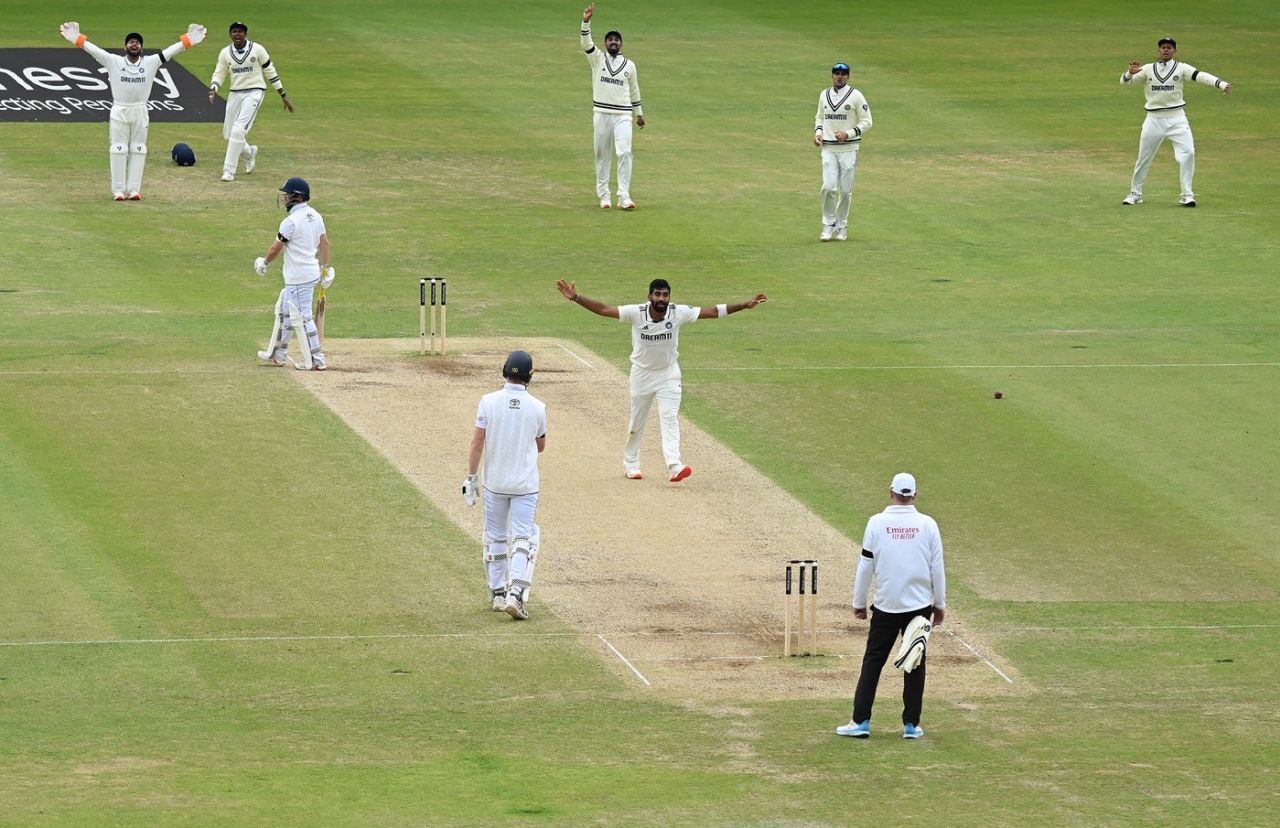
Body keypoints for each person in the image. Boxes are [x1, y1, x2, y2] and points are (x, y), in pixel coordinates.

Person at [555, 278, 767, 482]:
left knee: (669, 417)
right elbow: (604, 309)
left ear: (669, 297)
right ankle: (631, 463)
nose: (661, 299)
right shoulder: (636, 313)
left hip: (668, 374)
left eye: (665, 295)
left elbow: (711, 311)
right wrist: (576, 297)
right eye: (657, 294)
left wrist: (743, 305)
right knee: (637, 422)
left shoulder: (678, 312)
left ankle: (675, 466)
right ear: (649, 296)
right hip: (641, 374)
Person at [836, 473, 947, 740]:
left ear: (890, 492)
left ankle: (860, 721)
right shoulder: (927, 524)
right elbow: (937, 567)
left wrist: (858, 602)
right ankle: (911, 725)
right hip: (920, 606)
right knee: (915, 663)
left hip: (886, 605)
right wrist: (940, 604)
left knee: (873, 662)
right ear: (915, 495)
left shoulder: (877, 523)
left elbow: (866, 565)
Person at [58, 21, 207, 200]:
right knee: (118, 149)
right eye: (131, 42)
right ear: (125, 47)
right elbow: (94, 50)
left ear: (141, 47)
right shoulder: (113, 61)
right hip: (120, 110)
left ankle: (134, 190)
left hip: (140, 111)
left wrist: (188, 40)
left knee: (138, 149)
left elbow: (170, 52)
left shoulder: (151, 62)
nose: (134, 44)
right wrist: (76, 38)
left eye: (137, 42)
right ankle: (118, 191)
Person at [463, 351, 549, 621]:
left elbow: (477, 442)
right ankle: (515, 594)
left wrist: (471, 477)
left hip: (495, 482)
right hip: (525, 484)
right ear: (529, 376)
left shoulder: (487, 401)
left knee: (496, 536)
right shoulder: (538, 407)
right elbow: (541, 445)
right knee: (524, 537)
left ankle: (498, 593)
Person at [1120, 36, 1231, 207]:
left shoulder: (1181, 68)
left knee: (1188, 153)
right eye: (1163, 47)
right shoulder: (1148, 69)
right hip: (1153, 120)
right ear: (1159, 50)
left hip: (1177, 119)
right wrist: (1129, 73)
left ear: (1175, 51)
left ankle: (1187, 195)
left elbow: (1200, 75)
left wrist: (1221, 84)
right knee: (1143, 157)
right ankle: (1135, 194)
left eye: (1169, 48)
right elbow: (1124, 83)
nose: (1166, 50)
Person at [254, 177, 333, 371]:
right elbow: (324, 243)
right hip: (308, 274)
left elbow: (276, 248)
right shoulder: (315, 215)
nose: (284, 198)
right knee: (285, 313)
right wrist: (325, 267)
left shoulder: (290, 222)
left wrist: (264, 262)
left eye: (287, 194)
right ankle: (279, 354)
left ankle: (317, 360)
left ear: (297, 197)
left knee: (303, 317)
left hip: (299, 277)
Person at [208, 21, 294, 182]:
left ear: (246, 34)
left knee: (238, 130)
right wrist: (214, 88)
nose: (237, 34)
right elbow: (220, 73)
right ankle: (249, 153)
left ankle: (228, 171)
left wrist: (283, 94)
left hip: (255, 92)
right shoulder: (225, 53)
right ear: (230, 34)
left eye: (240, 31)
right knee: (228, 134)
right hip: (235, 93)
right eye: (234, 31)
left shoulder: (258, 49)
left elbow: (270, 71)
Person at [580, 3, 644, 210]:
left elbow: (634, 90)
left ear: (621, 43)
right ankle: (604, 195)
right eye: (610, 40)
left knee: (624, 152)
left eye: (616, 39)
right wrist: (586, 22)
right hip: (601, 113)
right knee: (602, 154)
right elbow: (586, 43)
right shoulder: (597, 59)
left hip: (623, 114)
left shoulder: (629, 65)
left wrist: (639, 114)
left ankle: (624, 196)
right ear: (605, 43)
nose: (613, 42)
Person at [813, 62, 872, 241]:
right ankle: (828, 224)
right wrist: (818, 133)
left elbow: (867, 121)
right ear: (832, 75)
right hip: (829, 148)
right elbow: (820, 118)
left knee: (845, 191)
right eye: (837, 73)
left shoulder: (856, 96)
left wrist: (848, 134)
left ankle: (842, 226)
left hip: (849, 149)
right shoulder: (824, 95)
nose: (840, 77)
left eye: (843, 74)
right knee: (828, 187)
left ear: (848, 76)